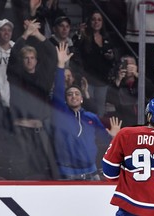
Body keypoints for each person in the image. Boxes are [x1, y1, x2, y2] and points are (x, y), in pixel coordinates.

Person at [51, 43, 122, 180]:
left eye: (77, 94)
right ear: (65, 100)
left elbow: (104, 141)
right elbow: (58, 91)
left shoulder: (91, 117)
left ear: (82, 99)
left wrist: (113, 136)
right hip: (67, 172)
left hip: (91, 172)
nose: (74, 96)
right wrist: (60, 65)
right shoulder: (61, 114)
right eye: (70, 94)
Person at [6, 19, 59, 180]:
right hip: (20, 131)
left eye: (32, 57)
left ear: (36, 60)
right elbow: (13, 55)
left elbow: (52, 54)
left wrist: (37, 34)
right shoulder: (16, 76)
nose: (29, 60)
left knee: (44, 172)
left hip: (40, 132)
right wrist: (26, 34)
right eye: (26, 58)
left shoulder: (44, 77)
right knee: (20, 172)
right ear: (22, 61)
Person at [75, 10, 115, 117]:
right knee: (88, 106)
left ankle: (98, 131)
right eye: (93, 19)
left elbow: (112, 57)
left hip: (102, 79)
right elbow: (76, 49)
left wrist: (111, 57)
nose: (96, 22)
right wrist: (80, 33)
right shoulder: (84, 37)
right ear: (89, 22)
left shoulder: (106, 38)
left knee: (100, 109)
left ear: (102, 23)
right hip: (88, 79)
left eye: (99, 20)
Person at [107, 55, 154, 127]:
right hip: (125, 121)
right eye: (126, 64)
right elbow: (111, 99)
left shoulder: (140, 81)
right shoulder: (117, 83)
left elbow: (151, 90)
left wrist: (137, 75)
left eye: (131, 64)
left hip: (143, 120)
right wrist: (118, 80)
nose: (129, 67)